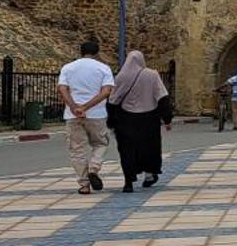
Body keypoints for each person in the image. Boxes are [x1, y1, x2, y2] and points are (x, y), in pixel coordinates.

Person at [107, 49, 172, 191]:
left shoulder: (121, 77)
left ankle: (128, 181)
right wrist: (167, 118)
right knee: (149, 148)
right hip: (149, 119)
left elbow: (113, 100)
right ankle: (149, 175)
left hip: (126, 120)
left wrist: (111, 121)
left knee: (127, 150)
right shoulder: (152, 75)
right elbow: (162, 97)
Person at [57, 38, 115, 194]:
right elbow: (106, 92)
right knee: (101, 143)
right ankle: (94, 169)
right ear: (97, 53)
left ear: (80, 52)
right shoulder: (103, 68)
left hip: (73, 115)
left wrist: (75, 107)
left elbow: (63, 89)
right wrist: (86, 107)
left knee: (77, 150)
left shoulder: (68, 68)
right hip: (96, 114)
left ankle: (84, 184)